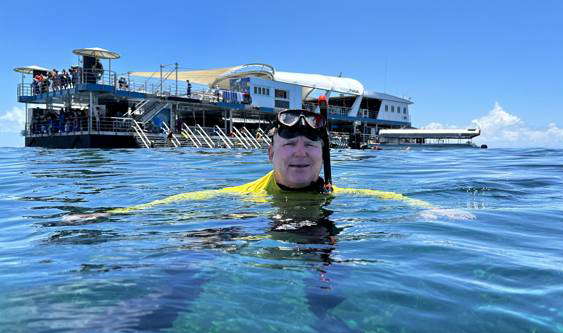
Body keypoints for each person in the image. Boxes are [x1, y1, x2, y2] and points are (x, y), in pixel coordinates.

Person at [64, 109, 473, 222]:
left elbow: (384, 197)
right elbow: (185, 200)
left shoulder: (336, 195)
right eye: (289, 142)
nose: (300, 152)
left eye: (311, 144)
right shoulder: (247, 196)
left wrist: (426, 208)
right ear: (270, 153)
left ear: (323, 154)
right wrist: (111, 214)